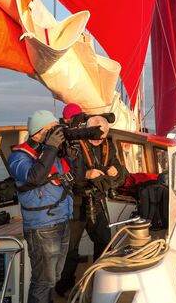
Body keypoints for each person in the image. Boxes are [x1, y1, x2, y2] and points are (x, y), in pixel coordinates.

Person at [8, 110, 84, 303]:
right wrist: (51, 147)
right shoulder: (19, 157)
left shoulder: (52, 154)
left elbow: (79, 179)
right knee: (43, 281)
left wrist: (74, 155)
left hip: (63, 221)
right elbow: (35, 177)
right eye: (52, 130)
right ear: (38, 132)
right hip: (42, 227)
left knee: (54, 278)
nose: (57, 134)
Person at [56, 115, 128, 296]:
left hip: (96, 199)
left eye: (102, 137)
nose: (98, 141)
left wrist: (115, 171)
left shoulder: (108, 146)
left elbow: (121, 174)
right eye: (95, 136)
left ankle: (100, 283)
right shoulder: (74, 146)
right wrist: (86, 175)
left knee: (104, 242)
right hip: (75, 202)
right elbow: (63, 175)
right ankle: (64, 287)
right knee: (70, 248)